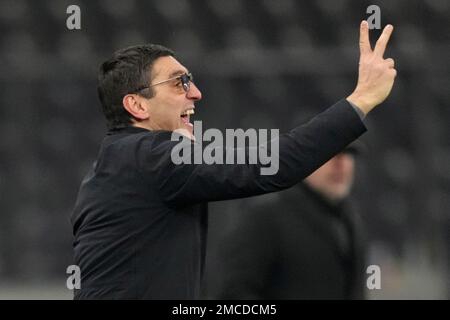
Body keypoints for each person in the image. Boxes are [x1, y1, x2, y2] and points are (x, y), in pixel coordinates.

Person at [70, 21, 396, 299]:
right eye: (178, 82)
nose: (195, 92)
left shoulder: (121, 163)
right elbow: (273, 162)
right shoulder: (152, 158)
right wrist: (361, 100)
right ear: (137, 106)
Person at [208, 143, 367, 299]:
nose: (340, 164)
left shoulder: (350, 218)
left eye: (348, 154)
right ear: (303, 158)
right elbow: (232, 292)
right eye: (329, 152)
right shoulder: (265, 214)